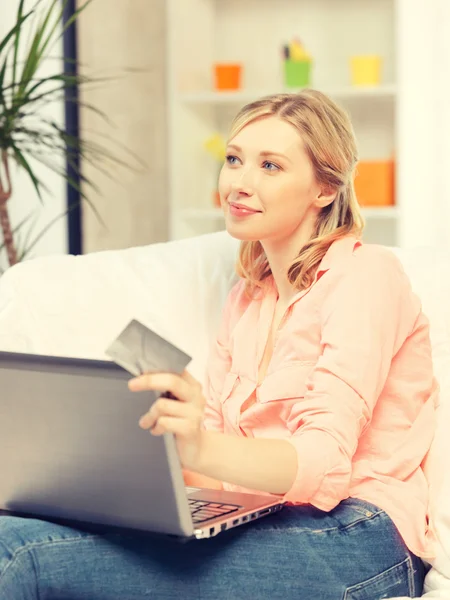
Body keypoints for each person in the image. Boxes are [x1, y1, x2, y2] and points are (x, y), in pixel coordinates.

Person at [0, 90, 438, 599]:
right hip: (263, 522)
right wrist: (125, 461)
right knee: (18, 530)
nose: (239, 183)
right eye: (234, 159)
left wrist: (201, 447)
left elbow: (324, 464)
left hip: (359, 538)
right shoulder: (249, 298)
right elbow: (217, 449)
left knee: (21, 556)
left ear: (324, 187)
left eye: (270, 166)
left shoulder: (366, 276)